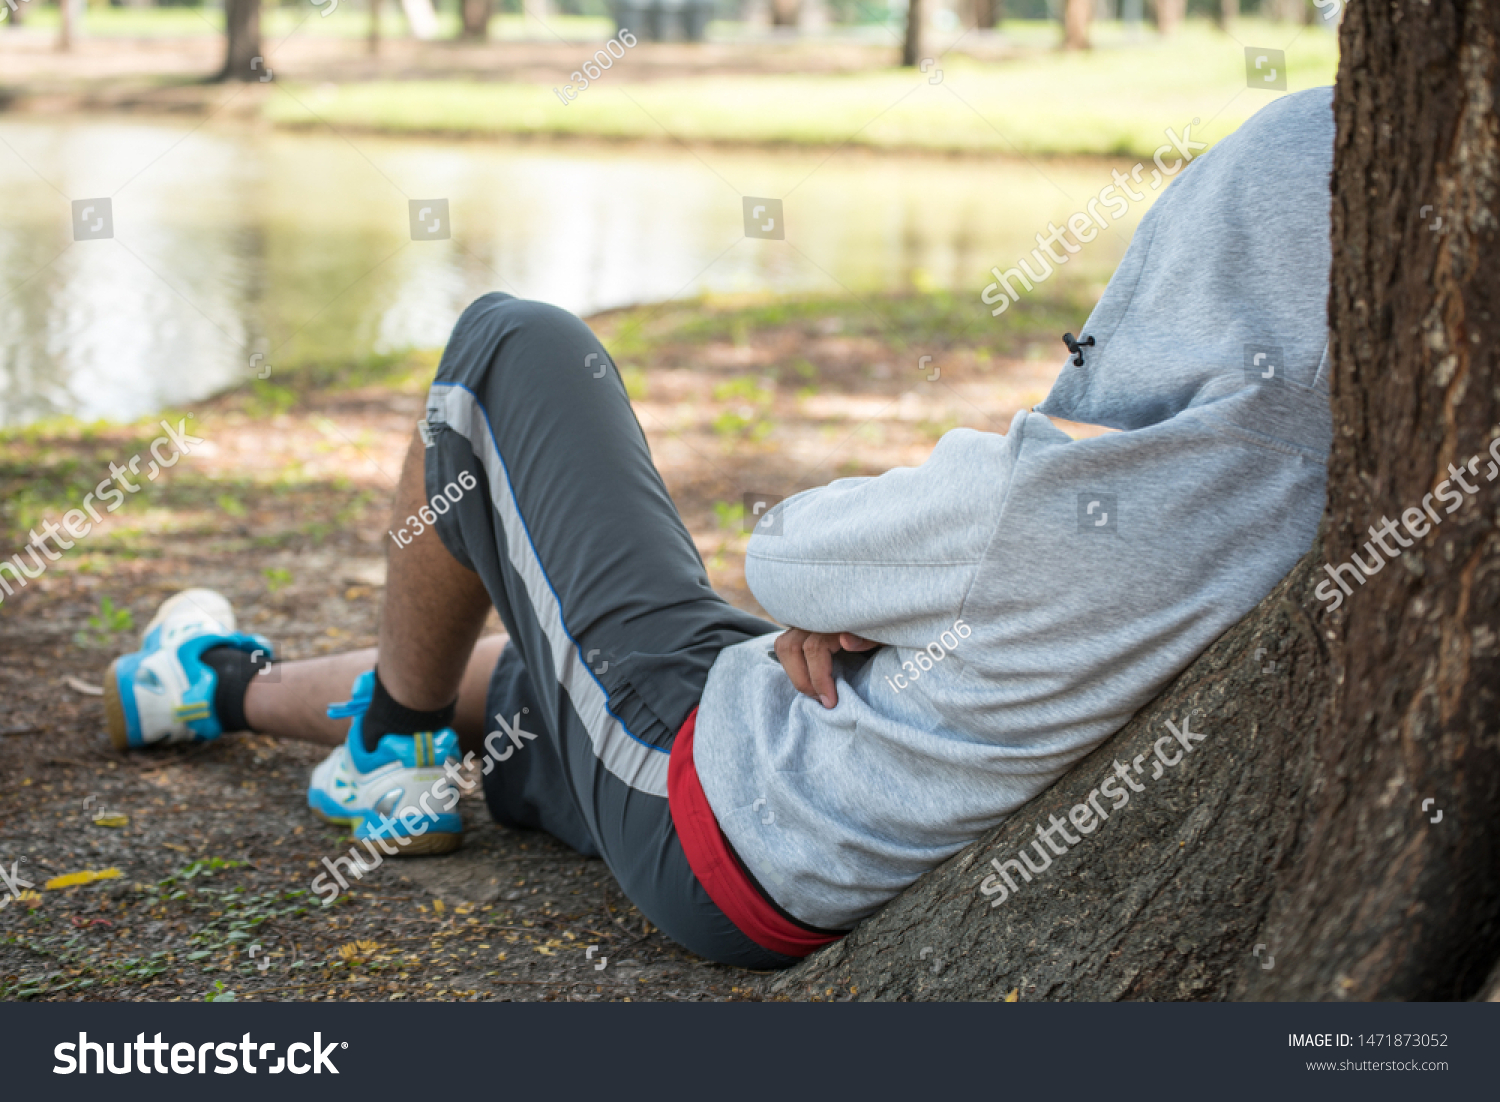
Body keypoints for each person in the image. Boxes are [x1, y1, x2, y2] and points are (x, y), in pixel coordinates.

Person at [102, 88, 1336, 970]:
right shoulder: (1303, 500)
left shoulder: (1057, 499)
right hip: (822, 768)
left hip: (723, 807)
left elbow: (790, 548)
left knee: (506, 346)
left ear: (1196, 276)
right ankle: (211, 686)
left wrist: (862, 585)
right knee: (538, 686)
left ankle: (390, 755)